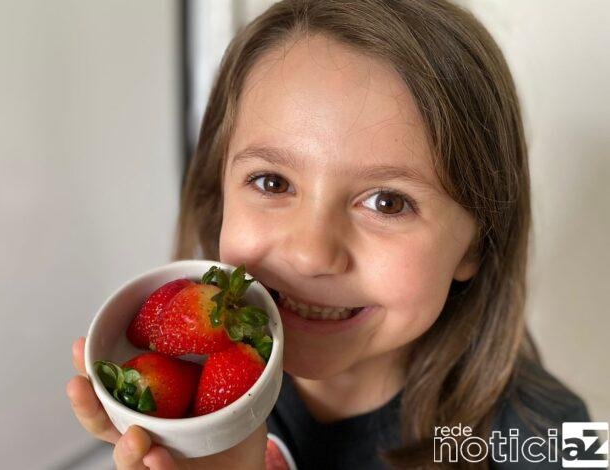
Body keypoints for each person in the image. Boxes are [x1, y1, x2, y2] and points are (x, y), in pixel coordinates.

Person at [67, 0, 593, 468]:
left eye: (387, 202)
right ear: (218, 190)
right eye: (272, 182)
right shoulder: (181, 382)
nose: (310, 252)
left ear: (476, 242)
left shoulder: (556, 436)